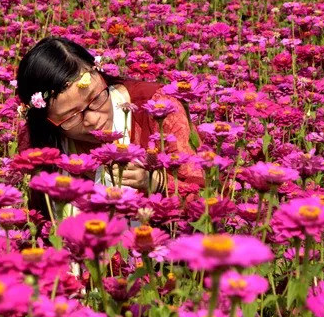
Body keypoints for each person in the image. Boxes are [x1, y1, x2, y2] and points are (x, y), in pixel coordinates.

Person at [15, 36, 203, 212]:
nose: (92, 120)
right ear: (48, 122)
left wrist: (155, 183)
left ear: (101, 74)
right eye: (70, 116)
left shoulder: (158, 109)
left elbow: (206, 197)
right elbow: (36, 215)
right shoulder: (36, 144)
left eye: (96, 98)